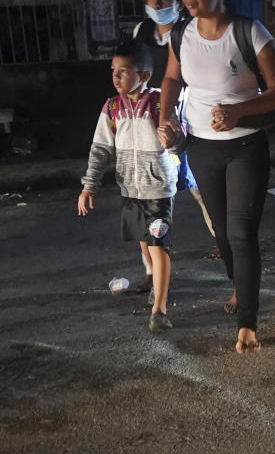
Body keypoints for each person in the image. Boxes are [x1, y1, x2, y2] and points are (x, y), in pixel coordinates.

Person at [157, 0, 275, 354]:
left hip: (246, 148)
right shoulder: (181, 35)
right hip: (201, 148)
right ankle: (240, 290)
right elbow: (170, 78)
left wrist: (240, 111)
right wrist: (166, 118)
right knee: (222, 233)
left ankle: (248, 322)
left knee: (241, 232)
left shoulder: (250, 32)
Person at [77, 40, 181, 332]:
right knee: (145, 242)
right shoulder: (112, 107)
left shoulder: (161, 101)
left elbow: (181, 135)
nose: (116, 76)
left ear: (144, 75)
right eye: (114, 70)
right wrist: (89, 186)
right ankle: (151, 278)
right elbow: (100, 149)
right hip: (130, 189)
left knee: (159, 244)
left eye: (124, 71)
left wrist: (175, 137)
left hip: (158, 187)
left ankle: (159, 308)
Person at [129, 0, 214, 296]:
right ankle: (152, 271)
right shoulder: (142, 33)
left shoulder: (189, 31)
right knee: (151, 200)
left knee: (201, 188)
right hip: (149, 126)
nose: (158, 3)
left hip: (187, 120)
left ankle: (225, 243)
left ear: (177, 1)